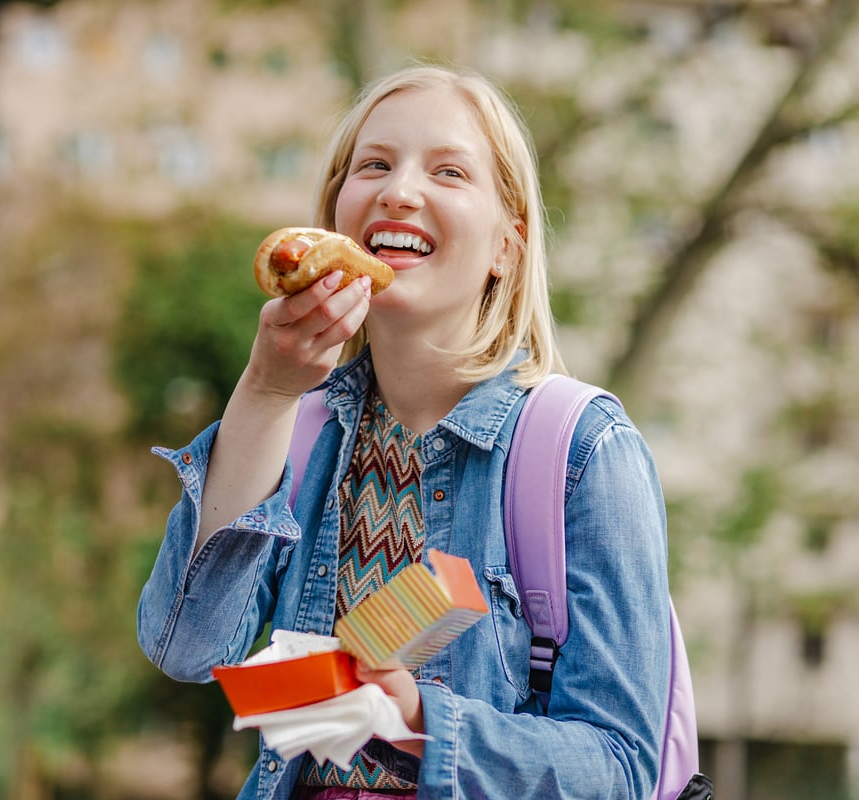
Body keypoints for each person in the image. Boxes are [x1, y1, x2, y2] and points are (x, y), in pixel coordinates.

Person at [137, 63, 670, 800]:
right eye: (375, 165)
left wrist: (417, 717)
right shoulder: (300, 428)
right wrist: (264, 391)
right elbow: (184, 646)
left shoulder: (579, 449)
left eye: (449, 171)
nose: (399, 190)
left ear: (505, 249)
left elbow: (621, 767)